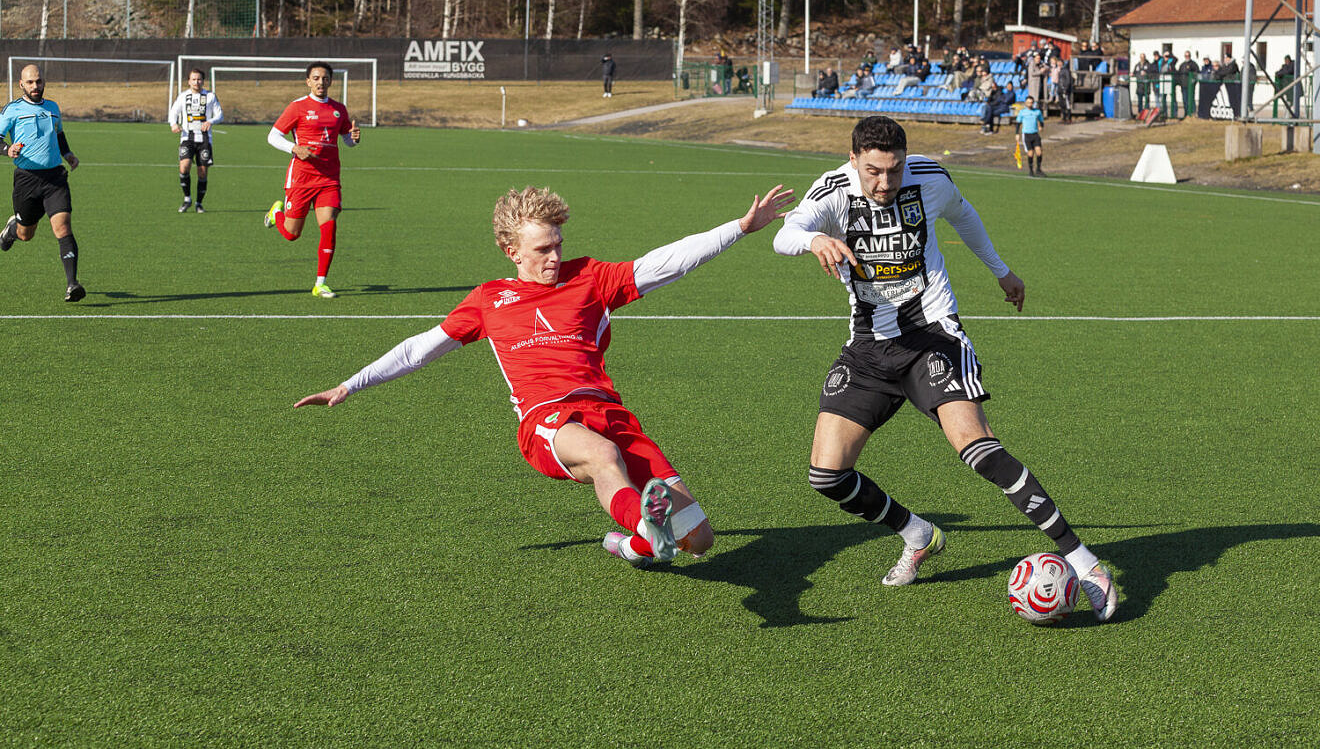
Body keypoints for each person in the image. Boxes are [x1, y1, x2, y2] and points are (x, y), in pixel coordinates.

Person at [295, 184, 796, 569]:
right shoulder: (489, 299)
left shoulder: (590, 277)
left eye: (557, 245)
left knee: (700, 542)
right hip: (548, 420)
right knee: (602, 456)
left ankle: (635, 542)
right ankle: (645, 520)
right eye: (541, 250)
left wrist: (739, 227)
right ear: (511, 250)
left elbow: (666, 263)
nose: (554, 258)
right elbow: (420, 350)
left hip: (610, 411)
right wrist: (348, 385)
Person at [770, 115, 1119, 622]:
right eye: (873, 172)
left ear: (905, 160)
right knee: (826, 476)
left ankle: (1085, 564)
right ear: (853, 161)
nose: (884, 183)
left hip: (932, 334)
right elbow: (786, 233)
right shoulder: (833, 192)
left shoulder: (930, 179)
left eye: (893, 170)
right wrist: (813, 241)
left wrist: (1001, 271)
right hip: (868, 347)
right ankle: (917, 533)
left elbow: (965, 216)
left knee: (977, 448)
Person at [263, 62, 361, 299]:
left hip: (329, 178)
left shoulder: (339, 109)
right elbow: (273, 136)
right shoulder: (297, 107)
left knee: (329, 225)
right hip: (301, 178)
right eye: (316, 78)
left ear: (331, 81)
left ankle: (321, 283)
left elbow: (347, 140)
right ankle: (277, 213)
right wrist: (294, 148)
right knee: (292, 234)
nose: (320, 82)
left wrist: (354, 138)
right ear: (308, 81)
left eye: (325, 78)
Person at [0, 64, 86, 302]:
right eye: (30, 82)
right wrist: (8, 149)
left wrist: (67, 154)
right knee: (26, 234)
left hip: (54, 178)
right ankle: (11, 231)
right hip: (27, 180)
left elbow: (58, 134)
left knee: (63, 227)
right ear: (21, 84)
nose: (35, 86)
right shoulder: (12, 110)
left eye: (38, 81)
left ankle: (72, 284)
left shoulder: (53, 107)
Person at [168, 67, 223, 213]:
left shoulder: (211, 96)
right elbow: (173, 112)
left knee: (202, 172)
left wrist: (210, 121)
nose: (196, 82)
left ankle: (199, 203)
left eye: (199, 79)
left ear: (203, 81)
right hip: (187, 138)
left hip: (205, 140)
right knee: (184, 167)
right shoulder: (183, 96)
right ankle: (187, 199)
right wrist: (173, 124)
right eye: (193, 79)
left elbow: (220, 115)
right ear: (188, 81)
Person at [1015, 96, 1046, 176]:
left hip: (1035, 134)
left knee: (1039, 152)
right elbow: (1018, 123)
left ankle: (1038, 169)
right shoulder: (1022, 112)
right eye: (1028, 102)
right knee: (1030, 153)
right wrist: (1017, 134)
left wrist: (1041, 126)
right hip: (1026, 134)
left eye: (1031, 102)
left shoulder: (1037, 112)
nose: (1030, 104)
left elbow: (1041, 120)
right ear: (1025, 103)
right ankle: (1031, 170)